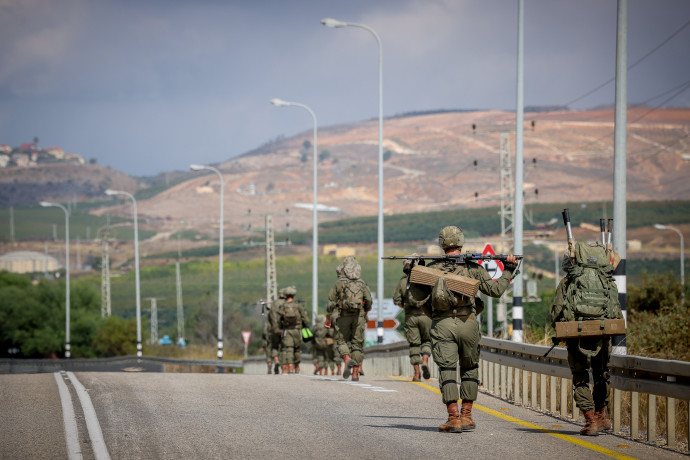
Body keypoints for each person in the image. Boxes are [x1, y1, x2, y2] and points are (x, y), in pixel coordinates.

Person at [412, 226, 518, 433]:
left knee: (447, 369)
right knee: (470, 367)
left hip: (442, 324)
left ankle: (453, 418)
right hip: (468, 323)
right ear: (461, 243)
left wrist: (413, 274)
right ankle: (467, 415)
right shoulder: (473, 268)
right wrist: (508, 270)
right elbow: (495, 291)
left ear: (442, 245)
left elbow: (416, 298)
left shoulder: (432, 269)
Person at [550, 250, 620, 436]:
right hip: (602, 335)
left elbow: (556, 312)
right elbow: (616, 312)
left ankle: (590, 421)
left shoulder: (567, 282)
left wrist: (559, 331)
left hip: (576, 336)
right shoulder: (607, 281)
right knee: (601, 375)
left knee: (580, 377)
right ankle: (600, 416)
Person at [327, 255, 372, 381]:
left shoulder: (339, 284)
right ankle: (355, 374)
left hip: (343, 317)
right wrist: (366, 311)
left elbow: (330, 303)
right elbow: (368, 300)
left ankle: (347, 360)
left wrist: (330, 316)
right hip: (359, 317)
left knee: (341, 341)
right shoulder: (362, 284)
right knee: (357, 345)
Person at [393, 255, 432, 382]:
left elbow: (397, 301)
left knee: (414, 344)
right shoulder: (427, 280)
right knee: (427, 340)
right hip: (426, 315)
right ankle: (425, 360)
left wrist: (407, 308)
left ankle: (416, 374)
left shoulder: (403, 281)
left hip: (411, 316)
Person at [271, 286, 309, 374]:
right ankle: (297, 367)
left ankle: (289, 367)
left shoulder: (283, 307)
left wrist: (279, 329)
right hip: (297, 331)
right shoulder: (298, 306)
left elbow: (278, 320)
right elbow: (306, 320)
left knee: (287, 349)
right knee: (297, 349)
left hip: (287, 331)